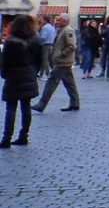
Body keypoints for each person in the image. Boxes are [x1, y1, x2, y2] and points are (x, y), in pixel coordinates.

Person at [1, 14, 43, 148]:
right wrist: (33, 72)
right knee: (26, 107)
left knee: (11, 108)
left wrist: (4, 74)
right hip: (29, 74)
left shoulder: (10, 42)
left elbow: (4, 61)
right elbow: (40, 60)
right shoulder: (36, 40)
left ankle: (6, 138)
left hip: (13, 75)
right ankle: (24, 135)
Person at [31, 13, 80, 114]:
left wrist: (60, 55)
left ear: (65, 21)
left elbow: (71, 46)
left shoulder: (68, 31)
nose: (57, 22)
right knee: (69, 83)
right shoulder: (62, 30)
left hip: (63, 62)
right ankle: (75, 103)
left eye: (59, 20)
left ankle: (42, 104)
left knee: (51, 83)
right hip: (63, 61)